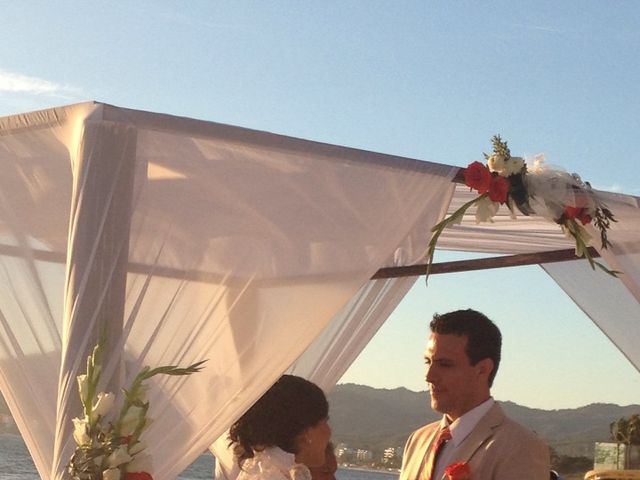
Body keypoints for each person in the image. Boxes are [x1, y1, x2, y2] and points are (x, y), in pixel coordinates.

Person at [399, 309, 550, 480]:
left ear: (482, 369)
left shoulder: (520, 447)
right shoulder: (417, 440)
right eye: (428, 362)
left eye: (444, 364)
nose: (429, 376)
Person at [228, 374, 332, 480]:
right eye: (325, 421)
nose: (329, 432)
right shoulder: (272, 475)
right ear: (307, 433)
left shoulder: (263, 469)